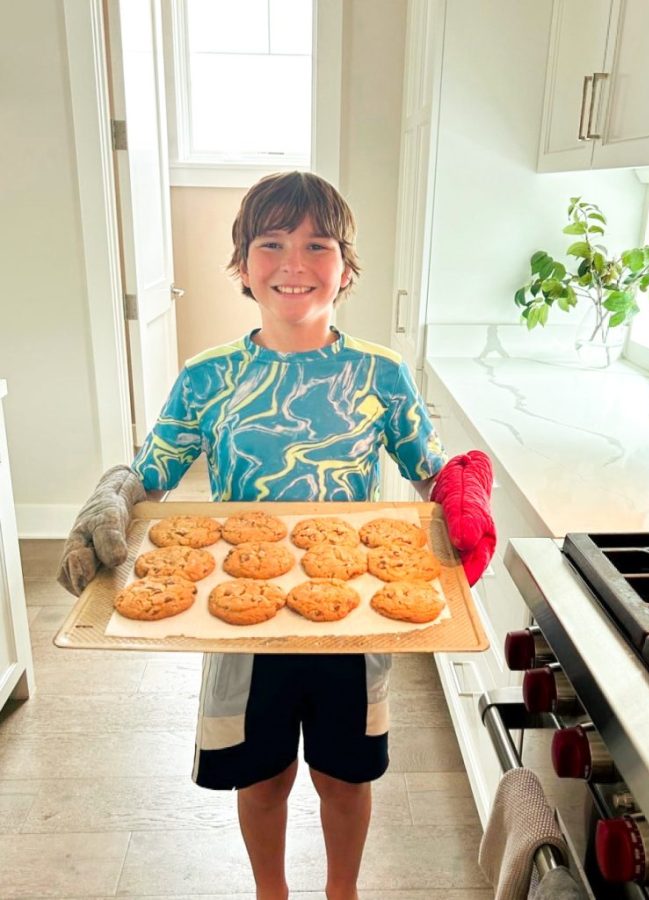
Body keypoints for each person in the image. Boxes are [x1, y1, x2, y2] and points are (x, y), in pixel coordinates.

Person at [58, 171, 495, 900]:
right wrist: (113, 494)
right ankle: (271, 891)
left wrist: (463, 492)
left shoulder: (380, 374)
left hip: (351, 621)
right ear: (241, 265)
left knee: (345, 777)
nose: (295, 262)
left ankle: (342, 891)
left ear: (346, 267)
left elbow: (430, 472)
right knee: (261, 777)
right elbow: (152, 472)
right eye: (272, 243)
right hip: (243, 627)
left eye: (318, 244)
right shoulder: (208, 377)